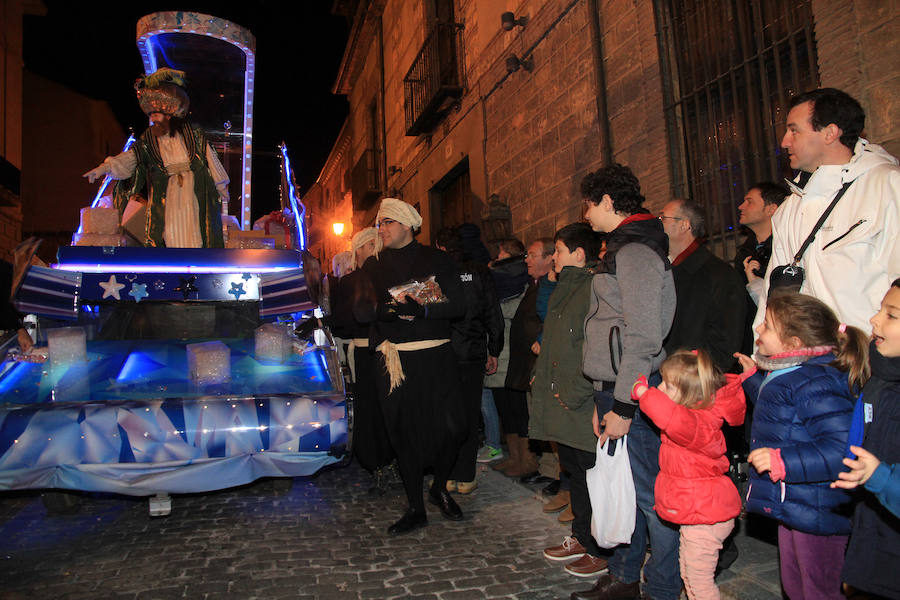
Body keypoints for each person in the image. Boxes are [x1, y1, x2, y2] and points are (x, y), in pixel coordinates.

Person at [575, 164, 677, 600]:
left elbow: (644, 334)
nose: (586, 213)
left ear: (609, 202)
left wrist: (624, 404)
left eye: (589, 203)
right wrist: (608, 397)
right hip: (616, 386)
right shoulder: (619, 247)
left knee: (649, 495)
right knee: (623, 488)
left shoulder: (634, 250)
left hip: (633, 389)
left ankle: (662, 588)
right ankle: (624, 575)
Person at [736, 292, 868, 600]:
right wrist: (752, 380)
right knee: (795, 585)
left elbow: (841, 451)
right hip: (797, 502)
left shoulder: (817, 381)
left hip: (820, 510)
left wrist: (783, 461)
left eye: (766, 326)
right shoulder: (792, 374)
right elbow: (785, 416)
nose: (758, 330)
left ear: (794, 343)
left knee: (819, 589)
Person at [354, 198, 467, 535]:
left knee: (455, 427)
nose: (381, 230)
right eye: (380, 224)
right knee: (405, 434)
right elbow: (361, 309)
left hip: (437, 357)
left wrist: (425, 310)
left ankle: (440, 487)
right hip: (395, 360)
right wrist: (383, 310)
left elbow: (459, 304)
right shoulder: (373, 265)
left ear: (406, 224)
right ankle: (416, 506)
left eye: (387, 223)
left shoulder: (438, 259)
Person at [754, 87, 900, 334]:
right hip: (808, 363)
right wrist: (761, 356)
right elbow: (773, 290)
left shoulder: (885, 186)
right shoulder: (789, 209)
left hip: (868, 359)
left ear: (830, 133)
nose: (784, 142)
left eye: (794, 130)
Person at [632, 350, 747, 600]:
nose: (660, 388)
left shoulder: (696, 424)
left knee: (699, 583)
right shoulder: (698, 416)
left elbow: (668, 416)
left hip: (706, 516)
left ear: (691, 395)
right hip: (700, 513)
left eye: (668, 385)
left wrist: (644, 393)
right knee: (689, 575)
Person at [530, 223, 606, 579]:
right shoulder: (566, 287)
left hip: (580, 399)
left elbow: (595, 346)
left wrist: (576, 389)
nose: (553, 258)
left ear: (578, 254)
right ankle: (580, 536)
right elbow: (558, 339)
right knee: (575, 471)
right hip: (564, 397)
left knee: (593, 476)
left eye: (558, 250)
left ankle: (600, 547)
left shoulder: (593, 287)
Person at [83, 68, 229, 248]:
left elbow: (210, 158)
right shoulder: (149, 139)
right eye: (150, 113)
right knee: (170, 229)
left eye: (156, 112)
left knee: (196, 229)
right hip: (167, 191)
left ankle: (194, 263)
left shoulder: (195, 135)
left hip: (195, 189)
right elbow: (131, 157)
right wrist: (104, 168)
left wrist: (221, 185)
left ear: (171, 110)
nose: (153, 118)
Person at [832, 280, 900, 598]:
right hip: (871, 519)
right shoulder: (879, 379)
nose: (875, 320)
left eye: (892, 315)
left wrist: (880, 478)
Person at [435, 224, 503, 495]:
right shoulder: (479, 271)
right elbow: (492, 313)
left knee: (445, 416)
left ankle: (447, 474)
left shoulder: (437, 273)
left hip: (443, 353)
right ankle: (465, 476)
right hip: (472, 353)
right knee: (469, 415)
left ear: (441, 246)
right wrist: (494, 349)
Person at [328, 227, 395, 494]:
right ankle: (390, 461)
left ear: (362, 248)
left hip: (366, 351)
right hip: (389, 350)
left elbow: (346, 321)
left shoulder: (353, 280)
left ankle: (376, 463)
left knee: (368, 410)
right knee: (386, 407)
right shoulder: (387, 273)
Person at [659, 198, 746, 373]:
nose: (657, 224)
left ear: (684, 225)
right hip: (670, 377)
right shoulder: (666, 271)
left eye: (663, 218)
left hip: (696, 384)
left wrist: (694, 378)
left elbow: (726, 343)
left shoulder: (718, 275)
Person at [492, 238, 554, 479]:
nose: (526, 260)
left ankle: (534, 463)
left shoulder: (547, 285)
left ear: (549, 259)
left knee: (529, 414)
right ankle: (518, 458)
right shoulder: (534, 284)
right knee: (513, 412)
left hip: (536, 359)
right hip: (522, 358)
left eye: (532, 255)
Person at [481, 238, 530, 464]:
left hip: (511, 353)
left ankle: (525, 459)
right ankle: (516, 457)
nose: (496, 259)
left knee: (517, 409)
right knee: (505, 410)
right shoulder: (498, 283)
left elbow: (516, 310)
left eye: (500, 255)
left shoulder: (520, 282)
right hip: (498, 352)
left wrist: (492, 308)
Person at [733, 182, 789, 307]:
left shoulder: (786, 248)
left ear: (771, 209)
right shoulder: (745, 252)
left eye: (750, 202)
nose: (741, 207)